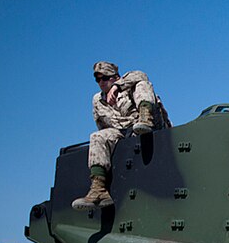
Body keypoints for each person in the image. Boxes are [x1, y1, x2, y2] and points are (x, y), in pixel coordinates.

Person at [72, 61, 169, 211]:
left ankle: (145, 116)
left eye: (104, 78)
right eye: (97, 80)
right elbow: (101, 124)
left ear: (115, 77)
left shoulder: (128, 84)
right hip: (123, 133)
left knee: (142, 85)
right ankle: (98, 189)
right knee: (97, 137)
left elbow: (141, 75)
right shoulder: (98, 100)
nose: (101, 83)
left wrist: (118, 86)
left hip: (151, 125)